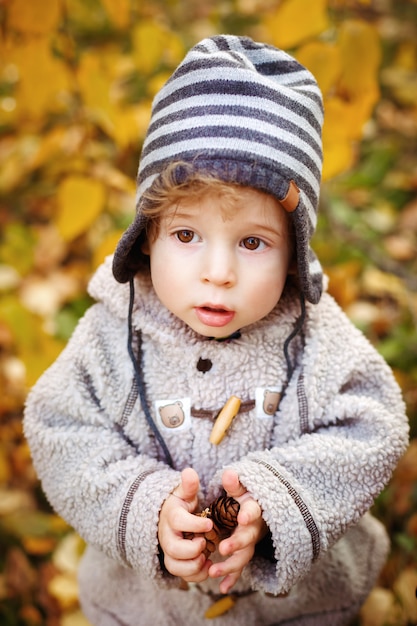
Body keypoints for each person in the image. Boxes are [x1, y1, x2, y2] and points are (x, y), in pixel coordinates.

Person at [24, 35, 408, 625]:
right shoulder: (112, 334)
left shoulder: (315, 336)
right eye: (186, 236)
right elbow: (61, 431)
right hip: (146, 609)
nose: (218, 273)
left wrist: (277, 504)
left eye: (253, 242)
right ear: (148, 235)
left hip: (300, 610)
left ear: (294, 253)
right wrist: (147, 510)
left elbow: (372, 428)